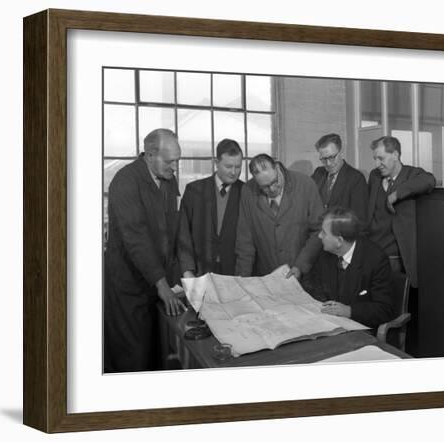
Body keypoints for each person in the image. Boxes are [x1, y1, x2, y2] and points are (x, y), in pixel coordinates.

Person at [103, 128, 187, 373]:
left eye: (177, 161)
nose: (175, 167)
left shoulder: (168, 180)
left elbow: (171, 231)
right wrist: (162, 286)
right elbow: (136, 238)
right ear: (150, 155)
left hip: (158, 282)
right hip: (129, 287)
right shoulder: (125, 181)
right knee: (134, 354)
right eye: (170, 161)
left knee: (158, 352)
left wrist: (179, 278)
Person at [235, 154, 324, 279]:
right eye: (265, 187)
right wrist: (242, 279)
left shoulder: (305, 184)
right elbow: (245, 240)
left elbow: (319, 230)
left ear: (277, 167)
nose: (272, 189)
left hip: (304, 275)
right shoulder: (248, 191)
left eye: (274, 182)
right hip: (267, 277)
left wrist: (300, 266)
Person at [304, 207, 394, 329]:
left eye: (324, 233)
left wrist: (349, 311)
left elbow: (384, 310)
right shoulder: (326, 252)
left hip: (359, 329)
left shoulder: (376, 260)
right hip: (329, 323)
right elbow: (313, 284)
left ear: (339, 241)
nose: (319, 236)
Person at [367, 135, 436, 287]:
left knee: (396, 303)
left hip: (397, 258)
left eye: (381, 158)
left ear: (396, 155)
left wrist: (396, 194)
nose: (377, 164)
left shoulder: (412, 174)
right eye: (375, 158)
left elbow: (429, 180)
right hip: (373, 252)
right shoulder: (374, 176)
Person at [178, 139, 244, 277]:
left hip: (236, 272)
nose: (233, 172)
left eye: (238, 167)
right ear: (216, 163)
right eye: (228, 166)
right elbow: (183, 235)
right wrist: (187, 270)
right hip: (199, 270)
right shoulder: (194, 190)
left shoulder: (246, 192)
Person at [311, 133, 368, 223]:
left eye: (332, 157)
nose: (328, 163)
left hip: (341, 234)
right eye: (324, 159)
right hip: (318, 231)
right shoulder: (318, 173)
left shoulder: (356, 178)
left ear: (341, 152)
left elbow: (358, 219)